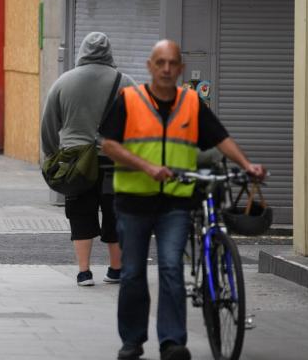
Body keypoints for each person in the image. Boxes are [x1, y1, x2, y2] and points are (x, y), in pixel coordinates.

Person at [100, 40, 266, 360]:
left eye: (172, 63)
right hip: (133, 201)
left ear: (180, 69)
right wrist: (147, 167)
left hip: (175, 203)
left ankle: (172, 342)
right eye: (160, 62)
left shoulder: (190, 103)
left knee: (171, 268)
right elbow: (108, 144)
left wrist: (247, 165)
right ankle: (132, 341)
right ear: (150, 66)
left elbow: (220, 138)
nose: (166, 69)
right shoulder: (129, 99)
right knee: (133, 272)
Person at [40, 32, 134, 287]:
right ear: (109, 52)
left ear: (81, 51)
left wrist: (50, 154)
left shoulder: (64, 82)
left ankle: (84, 272)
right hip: (114, 162)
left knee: (80, 213)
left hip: (76, 163)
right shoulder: (125, 82)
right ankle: (115, 270)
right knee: (115, 215)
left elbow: (48, 122)